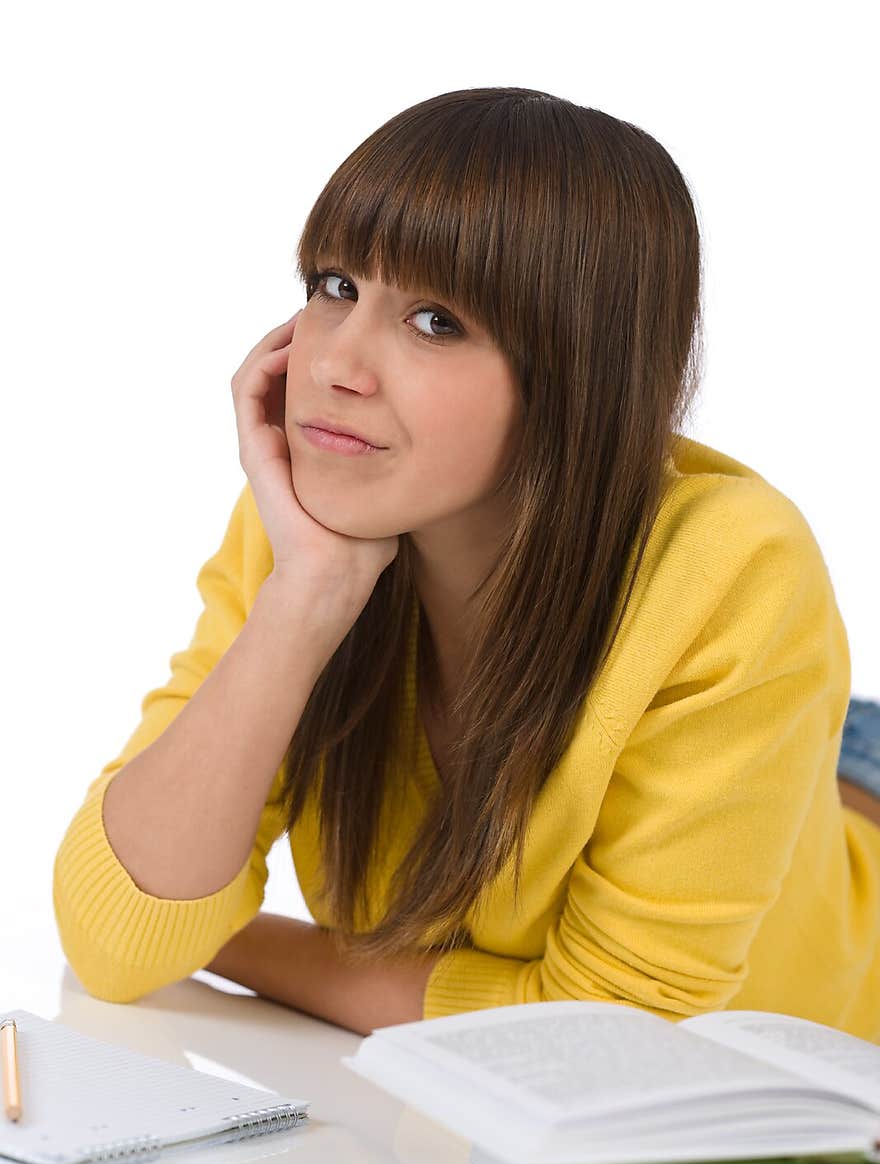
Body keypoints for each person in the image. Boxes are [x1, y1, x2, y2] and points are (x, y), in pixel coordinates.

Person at [53, 86, 880, 1041]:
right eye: (334, 287)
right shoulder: (314, 525)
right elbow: (113, 942)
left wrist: (223, 942)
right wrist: (308, 597)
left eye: (437, 321)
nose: (335, 366)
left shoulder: (732, 568)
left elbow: (610, 1032)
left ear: (579, 377)